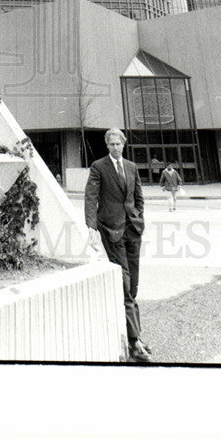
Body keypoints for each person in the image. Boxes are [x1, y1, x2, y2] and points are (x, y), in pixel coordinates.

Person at [85, 127, 151, 362]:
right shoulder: (98, 167)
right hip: (111, 229)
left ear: (123, 144)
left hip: (133, 229)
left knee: (133, 284)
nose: (115, 147)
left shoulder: (132, 167)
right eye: (111, 144)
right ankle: (135, 341)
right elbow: (91, 197)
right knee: (124, 283)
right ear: (107, 146)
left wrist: (139, 217)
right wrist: (91, 226)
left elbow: (138, 196)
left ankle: (133, 333)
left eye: (118, 144)